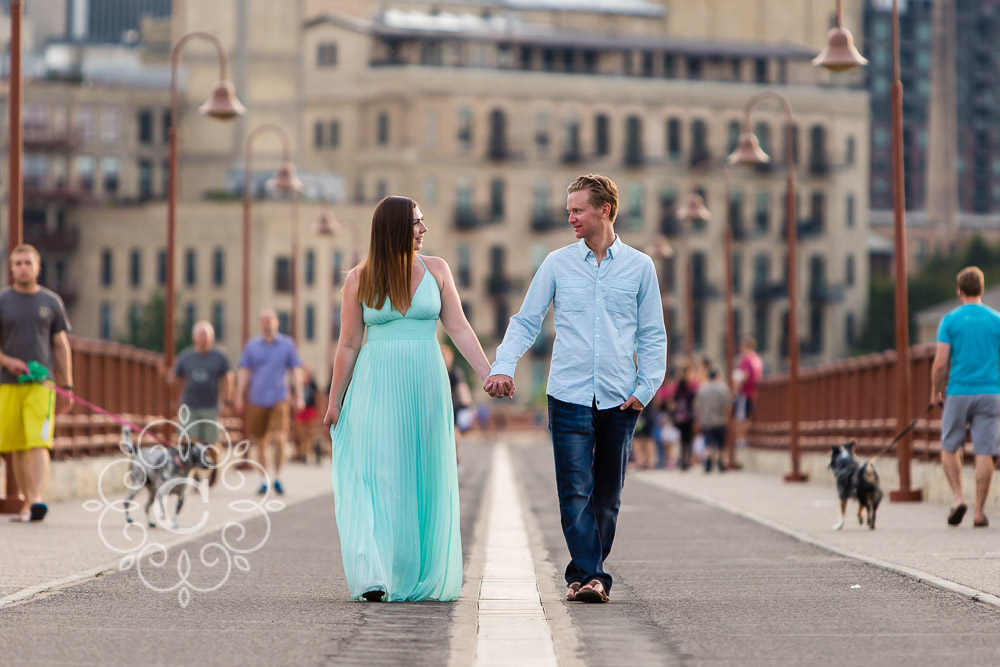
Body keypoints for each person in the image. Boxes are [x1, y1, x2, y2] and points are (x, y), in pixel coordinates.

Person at [484, 174, 667, 604]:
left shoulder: (640, 267)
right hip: (567, 392)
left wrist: (647, 387)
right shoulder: (556, 264)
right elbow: (527, 320)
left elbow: (653, 334)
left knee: (607, 497)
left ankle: (582, 573)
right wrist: (504, 365)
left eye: (577, 210)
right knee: (574, 492)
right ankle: (595, 577)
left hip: (622, 396)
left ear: (604, 210)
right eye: (569, 210)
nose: (570, 218)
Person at [324, 196, 492, 602]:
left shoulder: (437, 270)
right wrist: (334, 402)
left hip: (426, 381)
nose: (424, 229)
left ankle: (416, 571)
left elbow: (461, 329)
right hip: (375, 382)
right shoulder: (358, 279)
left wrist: (491, 373)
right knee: (376, 472)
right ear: (396, 227)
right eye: (417, 222)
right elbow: (348, 345)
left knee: (423, 471)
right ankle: (374, 575)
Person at [0, 244, 74, 523]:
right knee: (16, 446)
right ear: (11, 268)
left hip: (42, 385)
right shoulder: (3, 301)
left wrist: (67, 385)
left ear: (37, 268)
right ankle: (27, 502)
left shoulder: (51, 302)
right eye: (17, 263)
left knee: (39, 441)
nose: (22, 268)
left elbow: (60, 345)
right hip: (7, 384)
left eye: (27, 263)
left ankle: (38, 500)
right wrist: (7, 361)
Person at [931, 266, 1000, 528]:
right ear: (981, 289)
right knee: (985, 452)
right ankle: (979, 512)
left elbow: (939, 364)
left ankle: (959, 498)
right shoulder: (997, 320)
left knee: (950, 448)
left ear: (959, 291)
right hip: (991, 393)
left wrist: (935, 391)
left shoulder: (950, 320)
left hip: (959, 392)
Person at [234, 309, 303, 496]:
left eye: (270, 320)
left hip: (280, 397)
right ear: (259, 324)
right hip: (257, 398)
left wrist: (299, 395)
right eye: (263, 320)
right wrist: (239, 395)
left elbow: (295, 370)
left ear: (276, 323)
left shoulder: (287, 344)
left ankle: (278, 477)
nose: (267, 323)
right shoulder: (252, 346)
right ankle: (264, 479)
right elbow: (244, 371)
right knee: (260, 440)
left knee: (280, 438)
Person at [169, 321, 233, 449]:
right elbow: (173, 378)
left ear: (212, 337)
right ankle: (193, 467)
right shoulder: (186, 356)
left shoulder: (219, 356)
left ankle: (214, 467)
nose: (203, 338)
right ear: (194, 337)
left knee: (211, 442)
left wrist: (227, 401)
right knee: (188, 440)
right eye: (201, 335)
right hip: (189, 405)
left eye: (206, 335)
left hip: (211, 406)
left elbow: (228, 378)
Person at [441, 344, 474, 464]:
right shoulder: (433, 372)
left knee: (454, 431)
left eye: (445, 356)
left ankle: (455, 454)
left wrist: (466, 398)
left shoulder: (454, 373)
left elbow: (462, 387)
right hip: (436, 406)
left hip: (451, 406)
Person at [695, 367, 731, 473]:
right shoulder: (723, 388)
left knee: (708, 443)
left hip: (706, 419)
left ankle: (708, 461)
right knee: (721, 443)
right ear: (717, 376)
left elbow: (698, 405)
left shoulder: (702, 389)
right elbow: (728, 404)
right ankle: (721, 463)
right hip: (720, 419)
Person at [734, 336, 763, 450]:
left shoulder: (746, 360)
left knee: (740, 417)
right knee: (749, 415)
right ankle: (748, 438)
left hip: (745, 393)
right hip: (755, 392)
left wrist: (735, 389)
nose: (740, 348)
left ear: (746, 347)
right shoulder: (757, 359)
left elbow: (744, 376)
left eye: (742, 346)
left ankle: (741, 440)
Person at [292, 364, 322, 464]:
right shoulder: (298, 383)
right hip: (301, 411)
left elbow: (317, 396)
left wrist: (318, 410)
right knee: (302, 434)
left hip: (310, 410)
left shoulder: (313, 384)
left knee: (310, 434)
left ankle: (309, 453)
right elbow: (294, 396)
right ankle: (303, 453)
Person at [668, 364, 697, 471]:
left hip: (680, 415)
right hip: (689, 415)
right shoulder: (691, 385)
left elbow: (673, 400)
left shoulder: (677, 385)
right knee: (688, 438)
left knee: (683, 438)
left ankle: (683, 459)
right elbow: (694, 400)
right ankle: (687, 459)